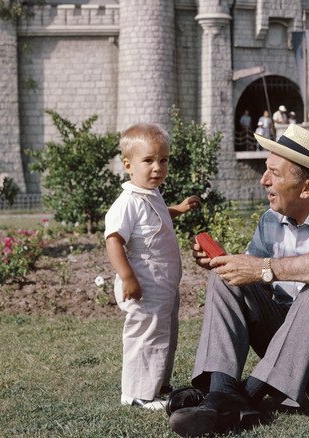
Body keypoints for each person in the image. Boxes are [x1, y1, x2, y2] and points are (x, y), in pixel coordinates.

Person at [167, 124, 309, 437]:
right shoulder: (271, 221)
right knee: (226, 279)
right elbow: (252, 277)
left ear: (307, 188)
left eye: (274, 173)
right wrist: (230, 266)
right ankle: (221, 392)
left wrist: (266, 267)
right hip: (302, 362)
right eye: (267, 170)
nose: (264, 180)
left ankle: (247, 396)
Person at [104, 124, 202, 411]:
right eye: (148, 161)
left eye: (163, 160)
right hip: (144, 279)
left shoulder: (151, 194)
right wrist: (127, 278)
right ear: (128, 166)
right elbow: (114, 240)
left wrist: (179, 209)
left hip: (163, 282)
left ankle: (157, 384)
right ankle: (136, 393)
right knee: (145, 333)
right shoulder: (128, 202)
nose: (157, 167)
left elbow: (157, 215)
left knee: (164, 333)